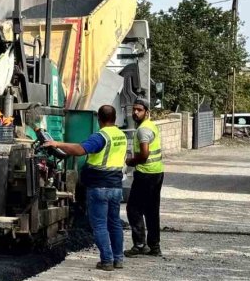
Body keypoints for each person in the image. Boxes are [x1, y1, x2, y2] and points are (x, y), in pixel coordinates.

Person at [44, 105, 128, 271]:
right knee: (114, 224)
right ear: (115, 118)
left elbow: (80, 150)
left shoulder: (101, 136)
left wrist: (56, 143)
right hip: (116, 187)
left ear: (99, 119)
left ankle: (106, 260)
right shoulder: (121, 135)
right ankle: (118, 259)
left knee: (100, 225)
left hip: (99, 187)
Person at [124, 98, 165, 257]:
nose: (135, 112)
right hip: (157, 172)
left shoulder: (143, 130)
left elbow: (145, 153)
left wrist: (131, 161)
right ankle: (154, 246)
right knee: (152, 210)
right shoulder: (151, 126)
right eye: (134, 109)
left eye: (139, 110)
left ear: (147, 112)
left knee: (133, 209)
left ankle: (140, 245)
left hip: (146, 174)